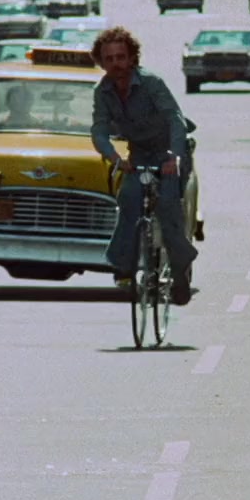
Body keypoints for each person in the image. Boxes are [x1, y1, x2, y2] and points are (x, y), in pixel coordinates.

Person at [90, 26, 198, 305]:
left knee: (168, 206)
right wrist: (116, 159)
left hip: (169, 152)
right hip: (140, 155)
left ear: (132, 58)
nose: (116, 64)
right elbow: (99, 131)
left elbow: (175, 120)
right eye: (109, 59)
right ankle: (124, 266)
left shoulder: (151, 83)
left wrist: (174, 157)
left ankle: (179, 272)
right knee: (128, 198)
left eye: (121, 57)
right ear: (102, 62)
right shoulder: (102, 91)